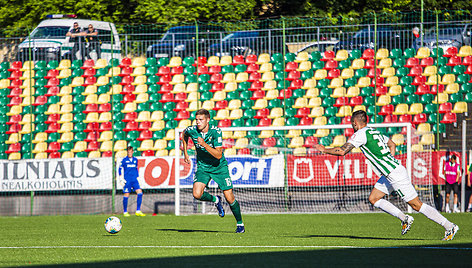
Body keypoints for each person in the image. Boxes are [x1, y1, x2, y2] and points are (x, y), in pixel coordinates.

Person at [314, 110, 459, 241]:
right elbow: (392, 144)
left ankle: (449, 226)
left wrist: (324, 149)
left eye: (352, 123)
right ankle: (404, 218)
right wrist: (389, 161)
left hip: (395, 174)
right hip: (391, 171)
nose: (352, 126)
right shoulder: (374, 132)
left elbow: (342, 151)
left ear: (355, 123)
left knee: (416, 205)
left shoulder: (360, 134)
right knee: (374, 198)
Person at [182, 109, 244, 233]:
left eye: (201, 120)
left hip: (219, 167)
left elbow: (218, 155)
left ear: (208, 120)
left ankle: (240, 223)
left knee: (229, 197)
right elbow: (184, 134)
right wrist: (185, 152)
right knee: (197, 194)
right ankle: (216, 200)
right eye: (197, 120)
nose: (198, 122)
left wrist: (204, 144)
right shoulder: (192, 130)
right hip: (203, 167)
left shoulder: (216, 132)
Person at [118, 146, 145, 217]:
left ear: (133, 152)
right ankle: (125, 212)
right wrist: (121, 178)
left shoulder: (135, 160)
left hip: (134, 180)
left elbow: (136, 169)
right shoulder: (124, 160)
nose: (130, 153)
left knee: (140, 193)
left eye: (131, 152)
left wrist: (138, 177)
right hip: (127, 181)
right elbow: (119, 169)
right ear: (127, 152)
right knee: (126, 195)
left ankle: (138, 210)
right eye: (128, 152)